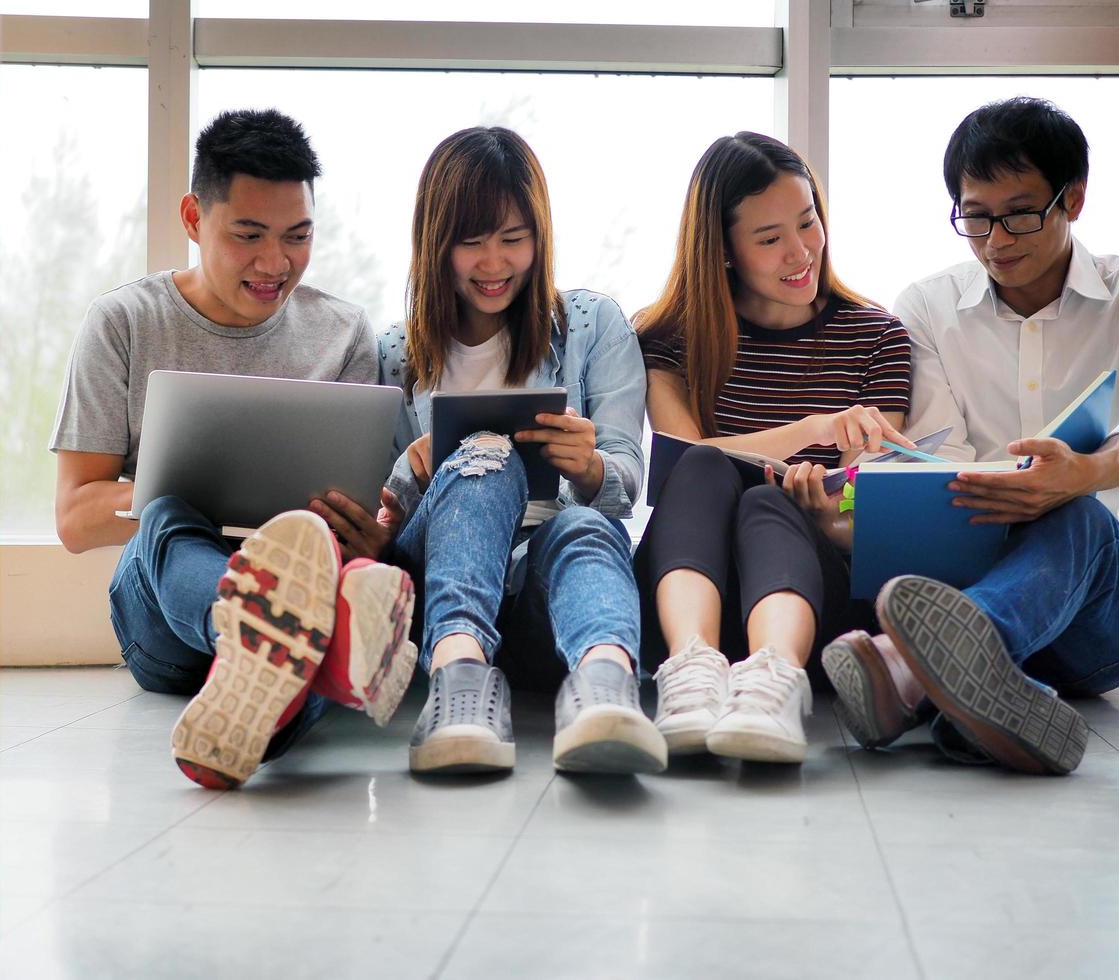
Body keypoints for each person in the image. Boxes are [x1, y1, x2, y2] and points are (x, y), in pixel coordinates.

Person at [823, 96, 1119, 775]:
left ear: (1073, 199)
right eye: (976, 216)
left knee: (1074, 510)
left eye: (1021, 213)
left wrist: (1077, 475)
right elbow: (941, 460)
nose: (997, 239)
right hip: (967, 573)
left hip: (1096, 616)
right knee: (972, 504)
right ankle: (981, 699)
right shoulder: (929, 305)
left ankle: (906, 668)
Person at [49, 108, 416, 790]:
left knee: (321, 547)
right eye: (248, 235)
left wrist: (367, 536)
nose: (274, 263)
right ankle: (271, 634)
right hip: (161, 611)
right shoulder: (124, 323)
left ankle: (278, 663)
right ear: (193, 217)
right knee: (166, 513)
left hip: (309, 568)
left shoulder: (343, 332)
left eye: (297, 237)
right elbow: (74, 519)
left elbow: (361, 505)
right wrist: (172, 486)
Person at [371, 126, 667, 775]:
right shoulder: (394, 355)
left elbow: (624, 481)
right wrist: (414, 471)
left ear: (540, 236)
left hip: (545, 593)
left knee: (585, 524)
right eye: (471, 242)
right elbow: (380, 536)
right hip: (440, 592)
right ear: (435, 243)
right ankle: (459, 682)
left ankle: (607, 691)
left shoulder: (592, 326)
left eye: (513, 239)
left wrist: (590, 468)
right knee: (485, 455)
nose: (494, 263)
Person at [634, 132, 915, 765]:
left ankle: (774, 684)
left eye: (808, 222)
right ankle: (690, 675)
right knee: (705, 464)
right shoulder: (666, 338)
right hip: (687, 598)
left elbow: (870, 501)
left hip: (812, 601)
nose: (801, 251)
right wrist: (808, 431)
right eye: (769, 239)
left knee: (771, 500)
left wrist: (824, 504)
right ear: (724, 251)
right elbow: (682, 452)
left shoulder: (878, 338)